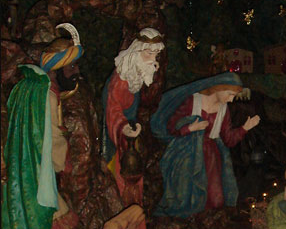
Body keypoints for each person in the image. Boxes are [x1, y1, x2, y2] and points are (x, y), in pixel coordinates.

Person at [2, 23, 83, 229]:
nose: (76, 71)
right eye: (71, 66)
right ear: (56, 68)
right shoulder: (46, 95)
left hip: (24, 174)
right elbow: (51, 139)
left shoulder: (28, 86)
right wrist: (65, 161)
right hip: (38, 177)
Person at [150, 72, 260, 218]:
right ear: (219, 88)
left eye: (233, 96)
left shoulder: (223, 109)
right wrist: (190, 128)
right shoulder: (193, 101)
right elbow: (172, 126)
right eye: (230, 94)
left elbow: (228, 139)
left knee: (215, 198)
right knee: (187, 197)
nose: (231, 99)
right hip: (187, 154)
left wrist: (245, 128)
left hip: (211, 157)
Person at [102, 28, 165, 207]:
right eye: (148, 53)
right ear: (137, 51)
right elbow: (113, 107)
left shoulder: (136, 72)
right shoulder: (122, 79)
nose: (153, 59)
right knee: (123, 172)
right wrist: (123, 127)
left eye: (156, 54)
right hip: (119, 133)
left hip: (129, 129)